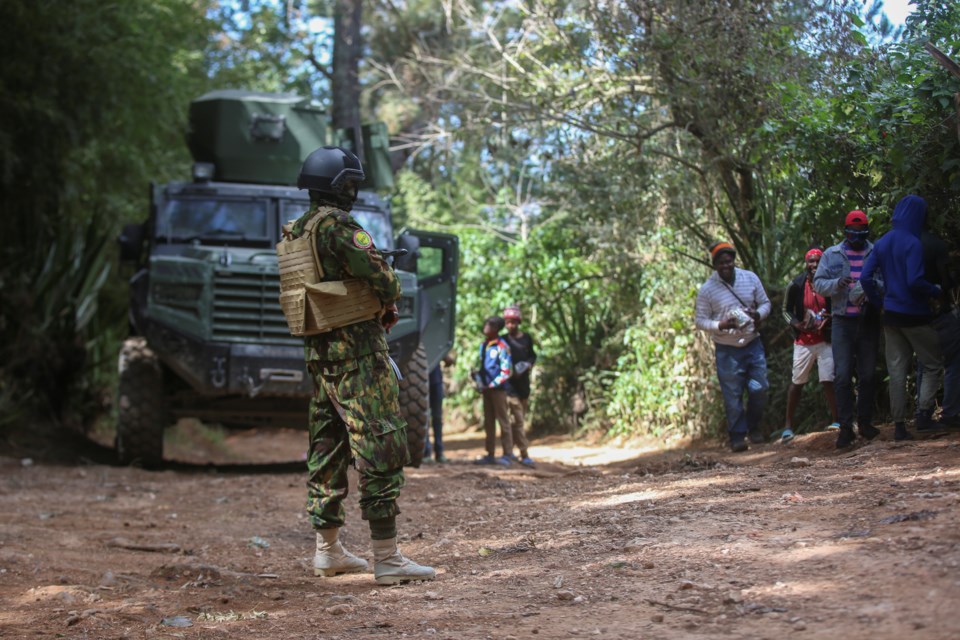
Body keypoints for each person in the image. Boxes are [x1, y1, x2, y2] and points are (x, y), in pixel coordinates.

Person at [276, 146, 434, 585]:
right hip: (359, 355)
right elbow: (382, 278)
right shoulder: (340, 227)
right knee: (380, 441)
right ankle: (387, 557)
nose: (354, 190)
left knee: (327, 447)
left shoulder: (297, 231)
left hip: (321, 357)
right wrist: (388, 286)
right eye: (350, 183)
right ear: (339, 185)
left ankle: (328, 551)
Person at [861, 195, 944, 441]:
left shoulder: (882, 242)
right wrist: (935, 290)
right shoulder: (913, 243)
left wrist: (879, 303)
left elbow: (865, 278)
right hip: (915, 314)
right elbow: (915, 281)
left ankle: (899, 426)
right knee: (932, 363)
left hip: (891, 316)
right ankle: (924, 415)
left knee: (896, 370)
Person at [813, 210, 882, 448]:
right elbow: (818, 284)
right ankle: (845, 428)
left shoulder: (875, 251)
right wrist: (836, 284)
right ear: (845, 232)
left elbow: (886, 281)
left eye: (860, 234)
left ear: (866, 232)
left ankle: (864, 423)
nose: (856, 238)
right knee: (842, 375)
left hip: (868, 320)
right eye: (852, 234)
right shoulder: (832, 254)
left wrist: (870, 287)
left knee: (868, 374)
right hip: (842, 321)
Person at [694, 241, 771, 452]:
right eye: (720, 263)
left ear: (733, 261)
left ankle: (754, 427)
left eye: (728, 262)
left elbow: (765, 303)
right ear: (715, 265)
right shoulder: (707, 290)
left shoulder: (750, 278)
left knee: (760, 388)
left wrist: (758, 315)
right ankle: (737, 436)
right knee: (732, 396)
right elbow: (700, 320)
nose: (725, 266)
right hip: (726, 349)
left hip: (752, 343)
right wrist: (721, 325)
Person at [780, 247, 840, 443]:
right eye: (811, 262)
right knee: (797, 382)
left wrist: (829, 319)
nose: (814, 265)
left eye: (818, 261)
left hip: (825, 339)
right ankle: (788, 427)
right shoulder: (796, 284)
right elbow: (786, 310)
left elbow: (837, 306)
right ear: (806, 263)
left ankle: (837, 421)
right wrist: (797, 324)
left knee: (828, 379)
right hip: (803, 342)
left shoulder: (830, 283)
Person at [917, 224, 960, 427]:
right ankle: (950, 413)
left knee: (925, 364)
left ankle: (922, 413)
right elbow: (946, 280)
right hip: (940, 311)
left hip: (915, 314)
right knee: (954, 362)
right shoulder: (935, 244)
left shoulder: (905, 244)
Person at [474, 315, 513, 465]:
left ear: (496, 329)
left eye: (489, 325)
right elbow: (484, 368)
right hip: (486, 390)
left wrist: (492, 384)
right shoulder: (483, 345)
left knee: (503, 421)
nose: (485, 327)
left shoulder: (502, 346)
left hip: (498, 390)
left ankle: (507, 454)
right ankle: (490, 453)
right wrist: (478, 377)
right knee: (489, 422)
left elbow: (506, 371)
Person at [502, 305, 537, 467]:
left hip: (524, 387)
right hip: (510, 388)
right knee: (517, 421)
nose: (510, 325)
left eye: (513, 322)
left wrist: (527, 365)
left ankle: (511, 452)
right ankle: (523, 453)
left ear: (518, 322)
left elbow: (532, 356)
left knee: (518, 420)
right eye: (507, 323)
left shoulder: (526, 338)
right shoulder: (503, 340)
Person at [424, 351, 455, 464]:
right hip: (421, 382)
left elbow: (448, 359)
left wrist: (445, 356)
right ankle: (426, 452)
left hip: (436, 381)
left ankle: (440, 452)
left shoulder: (436, 339)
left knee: (437, 417)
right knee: (424, 417)